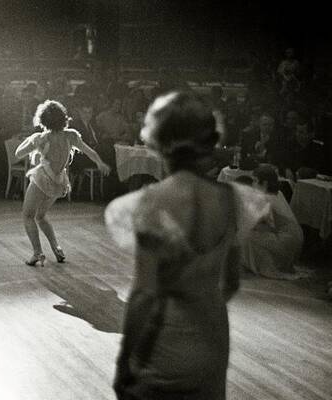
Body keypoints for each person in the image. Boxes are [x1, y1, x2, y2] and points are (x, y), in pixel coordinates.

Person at [106, 91, 271, 400]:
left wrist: (124, 362)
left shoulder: (151, 203)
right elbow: (231, 283)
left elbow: (144, 294)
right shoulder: (233, 200)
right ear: (209, 144)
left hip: (163, 342)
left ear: (158, 142)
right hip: (212, 339)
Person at [15, 100, 110, 266]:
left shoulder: (41, 138)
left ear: (42, 120)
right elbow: (90, 151)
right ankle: (57, 249)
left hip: (42, 178)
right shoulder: (71, 135)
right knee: (41, 216)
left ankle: (37, 253)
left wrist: (31, 139)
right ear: (63, 118)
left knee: (28, 215)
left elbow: (18, 154)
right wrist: (100, 163)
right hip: (58, 181)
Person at [241, 165, 306, 280]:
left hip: (285, 241)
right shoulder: (278, 193)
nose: (252, 185)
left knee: (245, 235)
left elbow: (258, 224)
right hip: (296, 239)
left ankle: (255, 264)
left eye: (255, 181)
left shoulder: (266, 198)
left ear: (264, 183)